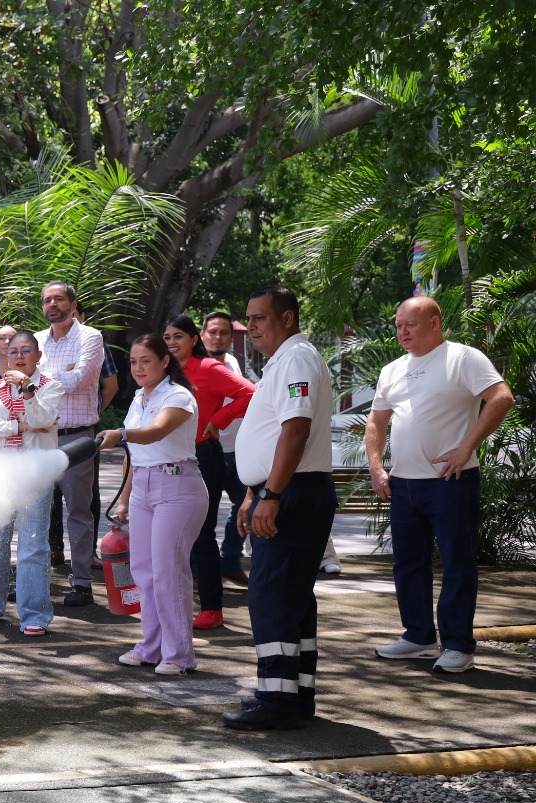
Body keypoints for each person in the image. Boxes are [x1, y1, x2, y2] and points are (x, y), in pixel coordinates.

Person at [366, 296, 514, 674]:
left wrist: (467, 447)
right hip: (402, 484)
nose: (402, 332)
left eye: (410, 325)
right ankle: (418, 636)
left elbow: (501, 398)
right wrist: (376, 468)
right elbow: (376, 422)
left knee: (456, 563)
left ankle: (458, 645)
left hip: (451, 481)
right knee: (408, 564)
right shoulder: (392, 369)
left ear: (434, 323)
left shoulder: (463, 358)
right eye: (398, 326)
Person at [220, 286, 336, 730]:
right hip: (285, 488)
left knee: (271, 595)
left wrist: (270, 494)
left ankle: (276, 701)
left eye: (260, 318)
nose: (251, 327)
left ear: (287, 318)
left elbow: (295, 432)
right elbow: (273, 435)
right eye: (248, 319)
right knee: (291, 597)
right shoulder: (284, 361)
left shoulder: (296, 359)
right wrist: (256, 492)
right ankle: (295, 694)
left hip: (293, 492)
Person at [96, 334, 208, 674]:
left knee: (168, 572)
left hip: (178, 487)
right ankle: (153, 646)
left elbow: (157, 432)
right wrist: (125, 500)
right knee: (143, 570)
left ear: (165, 361)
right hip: (143, 488)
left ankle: (179, 655)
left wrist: (121, 434)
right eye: (133, 362)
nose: (138, 368)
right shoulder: (138, 399)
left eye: (146, 360)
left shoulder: (178, 396)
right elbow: (135, 455)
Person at [163, 315, 255, 630]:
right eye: (167, 337)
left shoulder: (208, 368)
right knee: (172, 532)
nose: (172, 343)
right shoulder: (164, 369)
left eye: (178, 336)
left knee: (202, 534)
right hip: (169, 458)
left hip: (204, 457)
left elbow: (250, 393)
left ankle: (212, 609)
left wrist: (218, 419)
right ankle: (173, 604)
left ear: (194, 339)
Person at [0, 331, 64, 633]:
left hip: (35, 474)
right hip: (0, 473)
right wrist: (18, 426)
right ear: (6, 355)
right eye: (13, 351)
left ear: (38, 356)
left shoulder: (51, 387)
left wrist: (27, 390)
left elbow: (42, 420)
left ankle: (34, 615)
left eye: (26, 351)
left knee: (33, 545)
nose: (19, 357)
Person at [35, 281, 104, 607]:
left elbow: (78, 380)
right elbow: (22, 379)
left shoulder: (90, 337)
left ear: (73, 305)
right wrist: (58, 373)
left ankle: (82, 583)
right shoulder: (36, 340)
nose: (52, 304)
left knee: (78, 511)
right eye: (47, 300)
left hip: (76, 437)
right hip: (40, 437)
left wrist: (38, 379)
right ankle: (34, 583)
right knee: (36, 512)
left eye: (59, 299)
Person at [201, 311, 251, 585]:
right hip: (206, 453)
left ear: (232, 337)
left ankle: (230, 560)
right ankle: (197, 571)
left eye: (223, 333)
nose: (217, 337)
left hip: (237, 452)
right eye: (212, 332)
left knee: (249, 505)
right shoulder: (194, 366)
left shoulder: (232, 362)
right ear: (201, 335)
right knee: (202, 516)